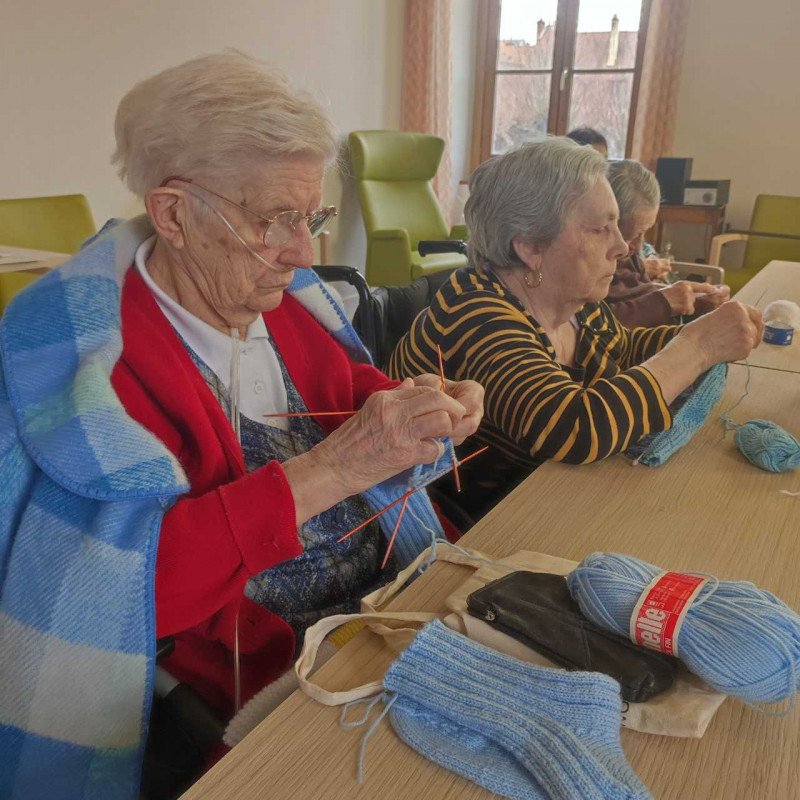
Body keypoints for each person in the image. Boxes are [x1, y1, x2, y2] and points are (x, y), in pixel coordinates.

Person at [0, 53, 483, 795]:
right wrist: (337, 468)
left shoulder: (278, 303)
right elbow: (122, 593)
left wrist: (414, 402)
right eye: (275, 222)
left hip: (389, 614)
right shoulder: (95, 367)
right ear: (172, 214)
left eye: (310, 217)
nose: (303, 254)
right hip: (273, 680)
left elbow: (346, 387)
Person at [388, 138, 762, 517]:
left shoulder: (575, 304)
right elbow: (572, 427)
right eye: (602, 229)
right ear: (531, 246)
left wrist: (708, 332)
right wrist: (697, 348)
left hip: (551, 504)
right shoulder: (476, 311)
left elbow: (625, 348)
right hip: (462, 527)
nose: (622, 247)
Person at [606, 160, 731, 327]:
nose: (638, 245)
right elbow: (592, 325)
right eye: (629, 235)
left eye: (644, 232)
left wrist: (696, 300)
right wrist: (663, 303)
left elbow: (644, 295)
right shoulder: (591, 267)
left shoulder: (631, 257)